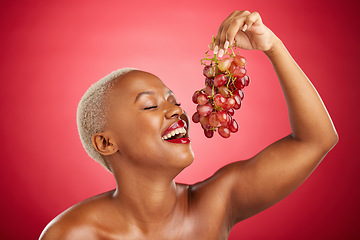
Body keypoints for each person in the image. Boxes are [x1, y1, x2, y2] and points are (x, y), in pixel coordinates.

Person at [39, 10, 338, 240]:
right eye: (150, 105)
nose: (176, 109)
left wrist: (273, 47)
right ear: (106, 143)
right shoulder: (73, 233)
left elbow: (316, 140)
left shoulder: (217, 203)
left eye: (173, 100)